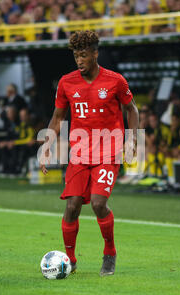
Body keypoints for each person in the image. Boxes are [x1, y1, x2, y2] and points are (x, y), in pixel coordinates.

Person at [40, 30, 139, 276]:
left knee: (97, 203)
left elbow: (132, 109)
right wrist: (47, 145)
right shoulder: (66, 82)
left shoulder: (115, 81)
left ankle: (109, 254)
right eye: (76, 56)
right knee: (72, 206)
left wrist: (132, 138)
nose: (79, 61)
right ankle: (70, 260)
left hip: (108, 152)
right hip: (79, 154)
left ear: (96, 53)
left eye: (83, 55)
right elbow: (57, 117)